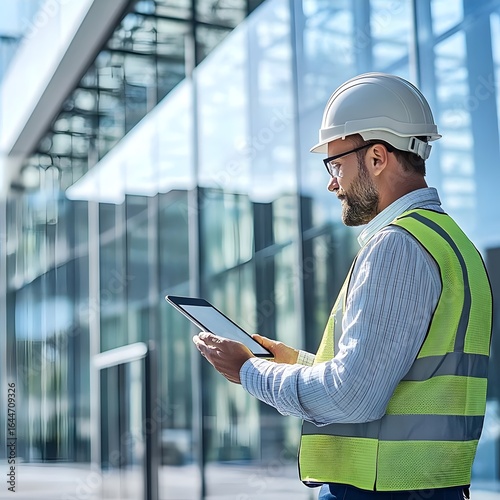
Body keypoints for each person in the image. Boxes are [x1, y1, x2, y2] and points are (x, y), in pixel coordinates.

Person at [193, 73, 493, 500]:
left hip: (383, 492)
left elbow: (352, 398)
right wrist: (291, 361)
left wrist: (249, 370)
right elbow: (387, 375)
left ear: (376, 157)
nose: (332, 183)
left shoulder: (398, 246)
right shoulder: (452, 244)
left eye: (336, 165)